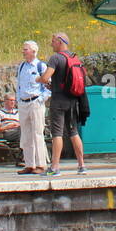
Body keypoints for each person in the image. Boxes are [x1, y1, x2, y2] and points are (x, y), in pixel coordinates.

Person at [37, 32, 86, 176]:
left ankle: (55, 167)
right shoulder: (74, 57)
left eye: (53, 41)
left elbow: (46, 77)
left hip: (58, 101)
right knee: (74, 132)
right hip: (72, 100)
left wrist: (39, 80)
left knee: (57, 133)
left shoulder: (55, 58)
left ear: (60, 42)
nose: (51, 44)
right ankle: (82, 165)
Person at [15, 40, 50, 175]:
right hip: (23, 102)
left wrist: (41, 99)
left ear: (33, 51)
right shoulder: (22, 66)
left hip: (35, 102)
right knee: (26, 134)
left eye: (26, 49)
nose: (23, 52)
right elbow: (19, 84)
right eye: (24, 49)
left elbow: (49, 86)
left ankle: (41, 164)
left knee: (37, 133)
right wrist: (19, 99)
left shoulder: (41, 66)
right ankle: (29, 164)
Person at [0, 92, 22, 166]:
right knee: (24, 132)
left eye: (14, 100)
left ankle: (23, 158)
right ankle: (21, 158)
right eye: (10, 100)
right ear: (5, 101)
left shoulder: (18, 112)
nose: (13, 102)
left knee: (28, 131)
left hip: (19, 131)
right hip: (8, 132)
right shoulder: (0, 112)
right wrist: (8, 127)